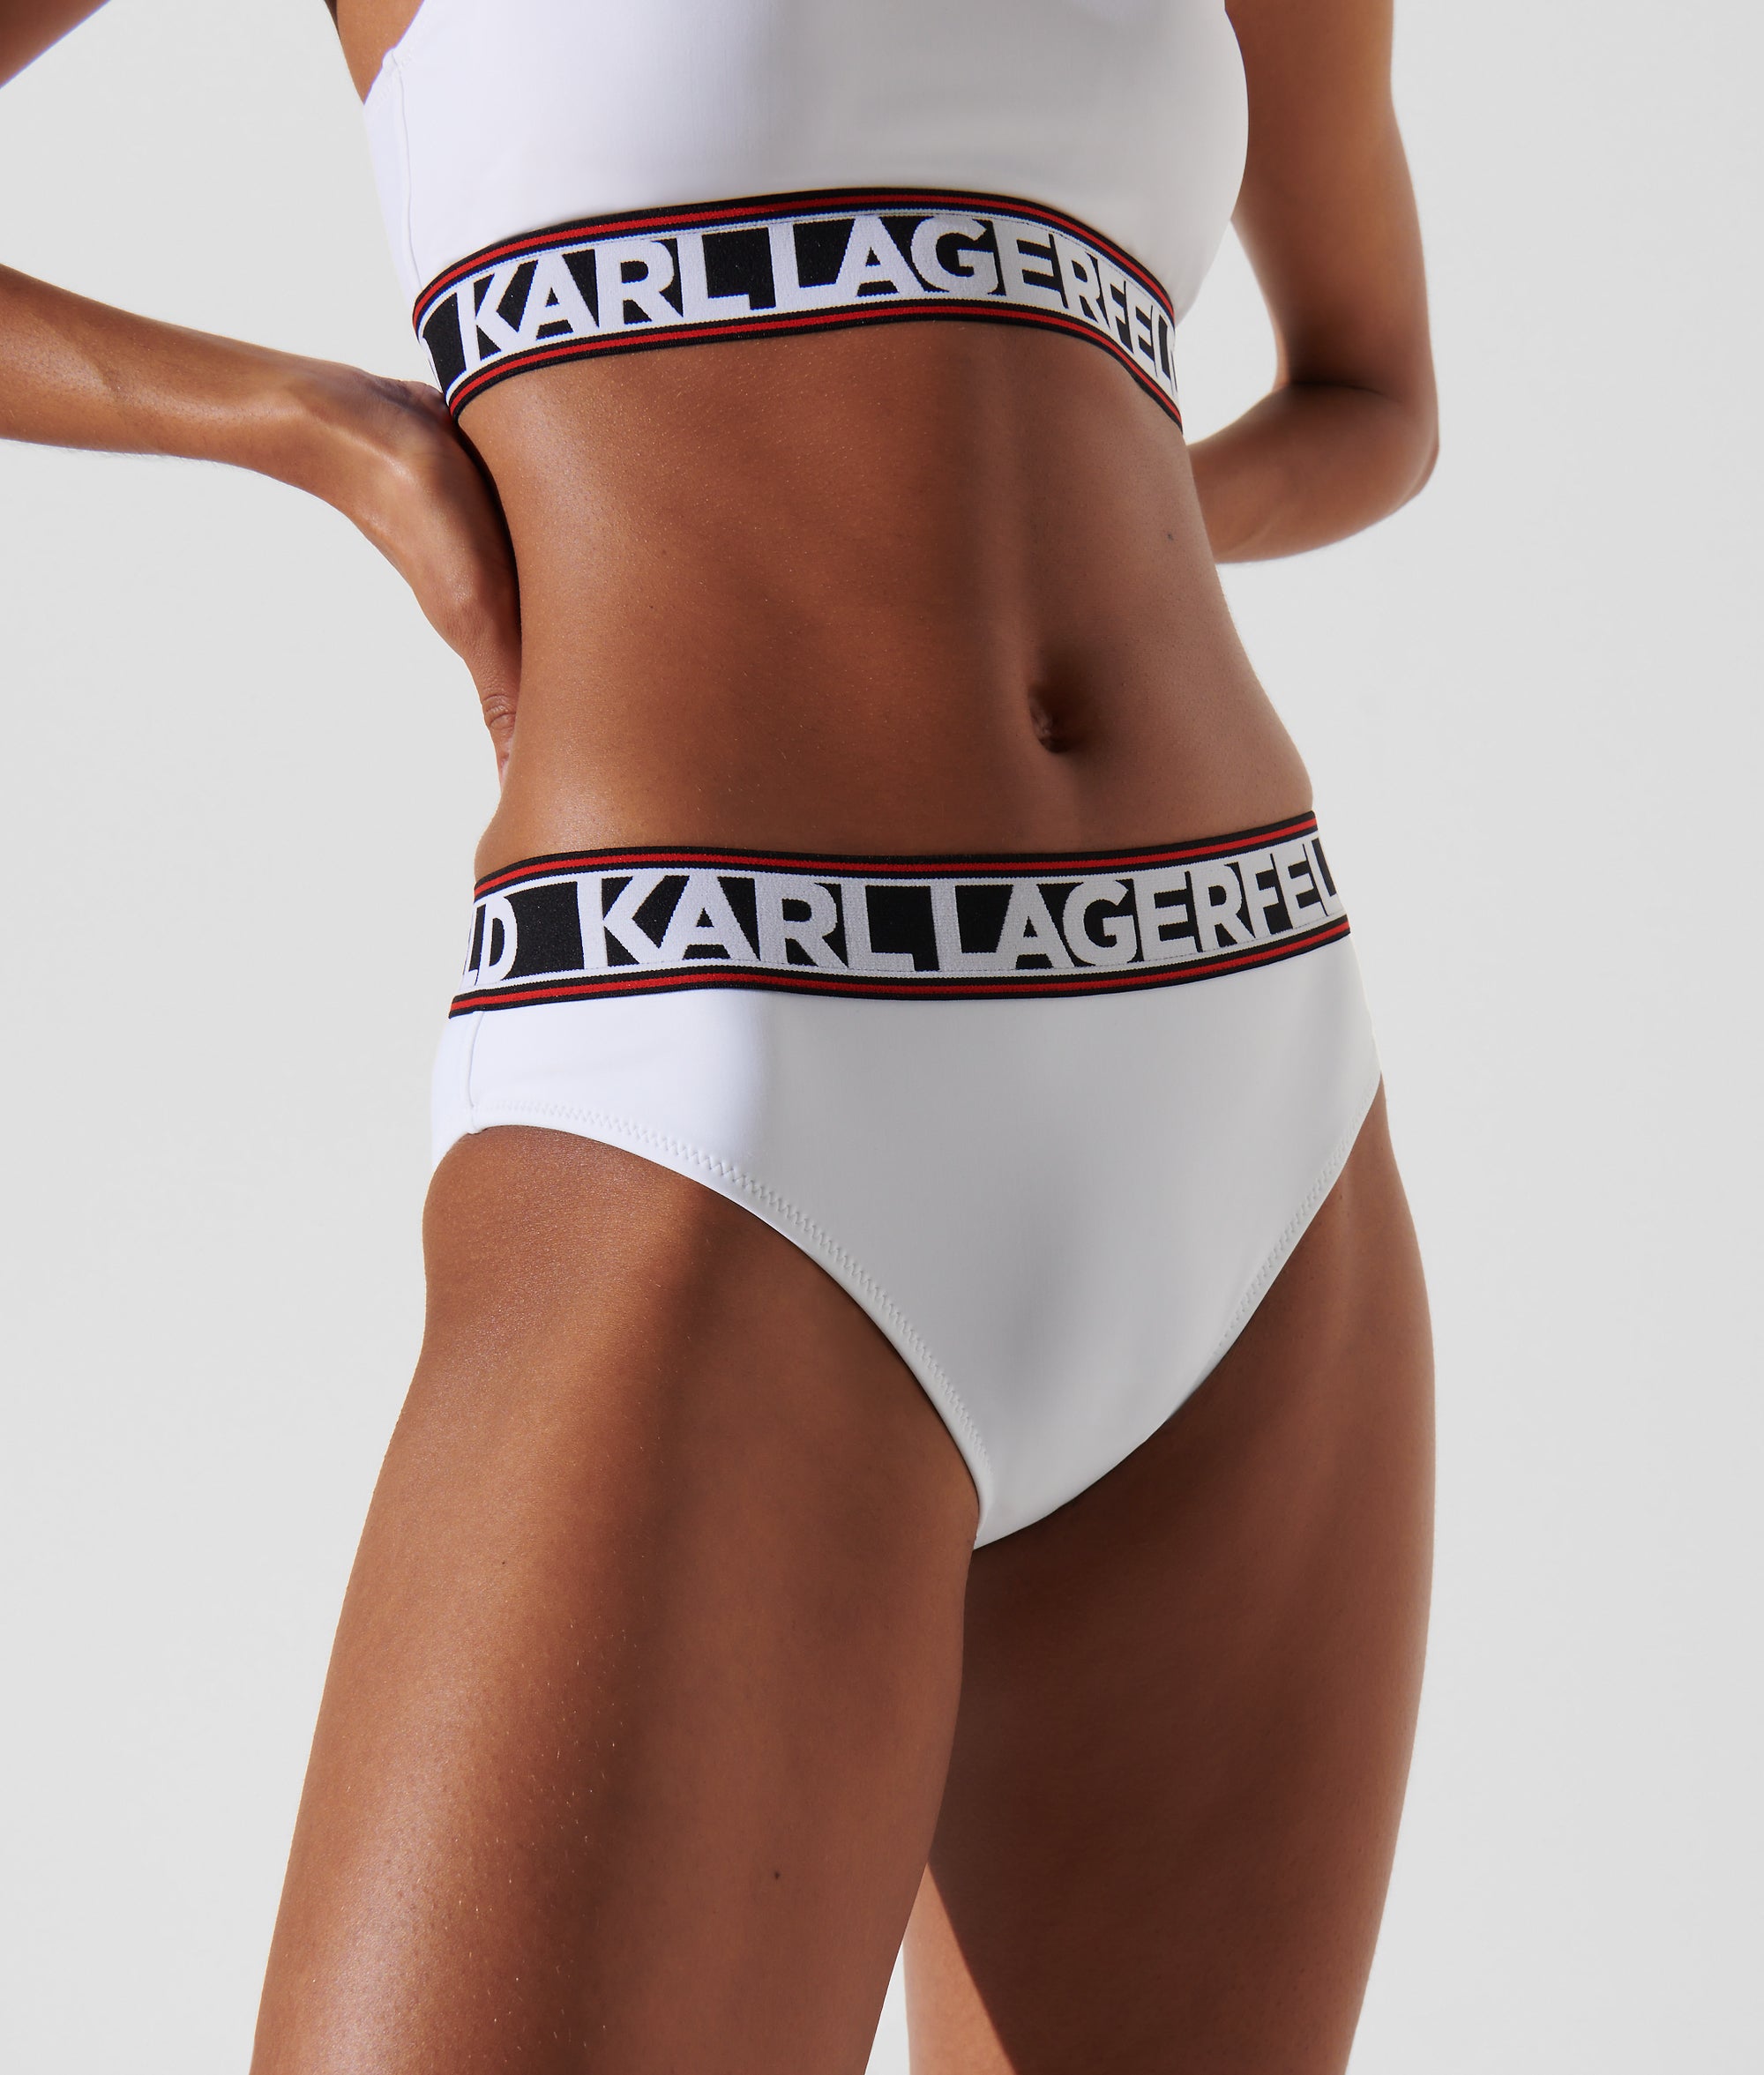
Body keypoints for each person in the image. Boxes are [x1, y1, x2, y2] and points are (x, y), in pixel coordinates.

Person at [1, 1, 1438, 2067]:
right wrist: (321, 428)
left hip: (1246, 1085)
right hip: (716, 1083)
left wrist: (1083, 489)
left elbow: (1374, 394)